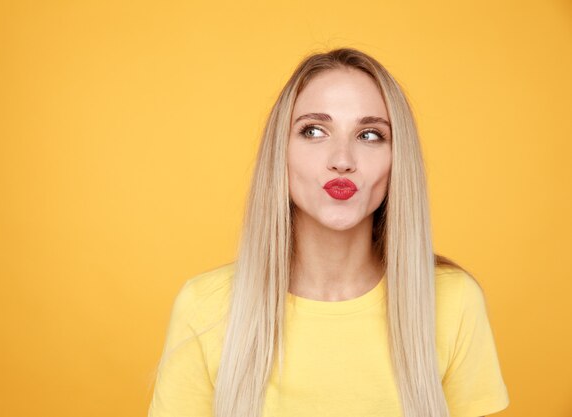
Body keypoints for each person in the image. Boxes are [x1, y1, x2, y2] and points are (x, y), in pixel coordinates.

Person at [147, 47, 510, 417]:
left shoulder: (453, 300)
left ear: (398, 158)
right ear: (280, 152)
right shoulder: (204, 306)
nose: (342, 160)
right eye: (314, 131)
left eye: (369, 135)